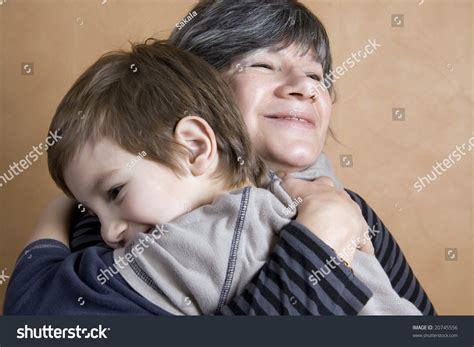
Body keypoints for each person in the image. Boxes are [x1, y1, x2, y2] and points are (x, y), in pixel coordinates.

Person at [4, 40, 373, 316]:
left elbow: (37, 314)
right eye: (263, 65)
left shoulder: (198, 242)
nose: (107, 233)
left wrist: (56, 214)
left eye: (115, 192)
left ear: (196, 147)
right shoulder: (310, 201)